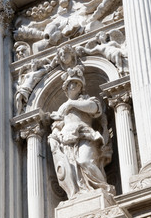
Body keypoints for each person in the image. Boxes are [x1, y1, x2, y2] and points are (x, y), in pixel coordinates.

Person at [48, 65, 114, 199]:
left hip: (85, 135)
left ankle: (104, 188)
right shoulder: (62, 107)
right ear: (66, 88)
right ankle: (79, 193)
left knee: (85, 161)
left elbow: (94, 108)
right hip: (67, 140)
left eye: (76, 84)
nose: (74, 86)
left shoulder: (86, 100)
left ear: (81, 87)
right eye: (71, 84)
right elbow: (57, 124)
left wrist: (72, 104)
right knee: (72, 169)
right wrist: (54, 136)